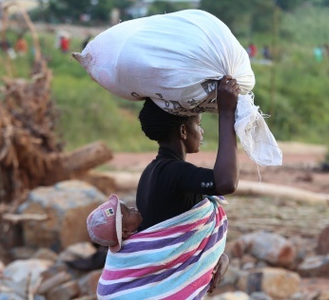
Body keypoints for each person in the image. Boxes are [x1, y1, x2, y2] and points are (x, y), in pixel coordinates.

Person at [97, 76, 239, 298]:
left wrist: (216, 256)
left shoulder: (151, 172)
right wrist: (227, 114)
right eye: (198, 125)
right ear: (183, 132)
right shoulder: (171, 173)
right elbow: (226, 182)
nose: (201, 133)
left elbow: (171, 245)